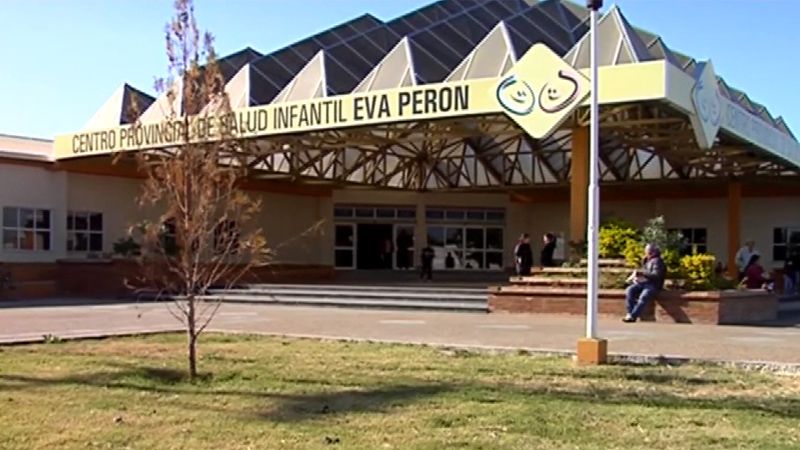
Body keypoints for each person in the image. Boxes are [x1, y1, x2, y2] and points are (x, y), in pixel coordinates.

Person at [623, 243, 666, 323]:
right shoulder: (646, 260)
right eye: (646, 250)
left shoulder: (658, 261)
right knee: (629, 290)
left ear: (652, 252)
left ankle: (633, 316)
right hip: (643, 282)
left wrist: (643, 274)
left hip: (653, 284)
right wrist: (637, 278)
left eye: (647, 250)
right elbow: (645, 271)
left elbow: (656, 275)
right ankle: (629, 313)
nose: (645, 252)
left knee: (644, 296)